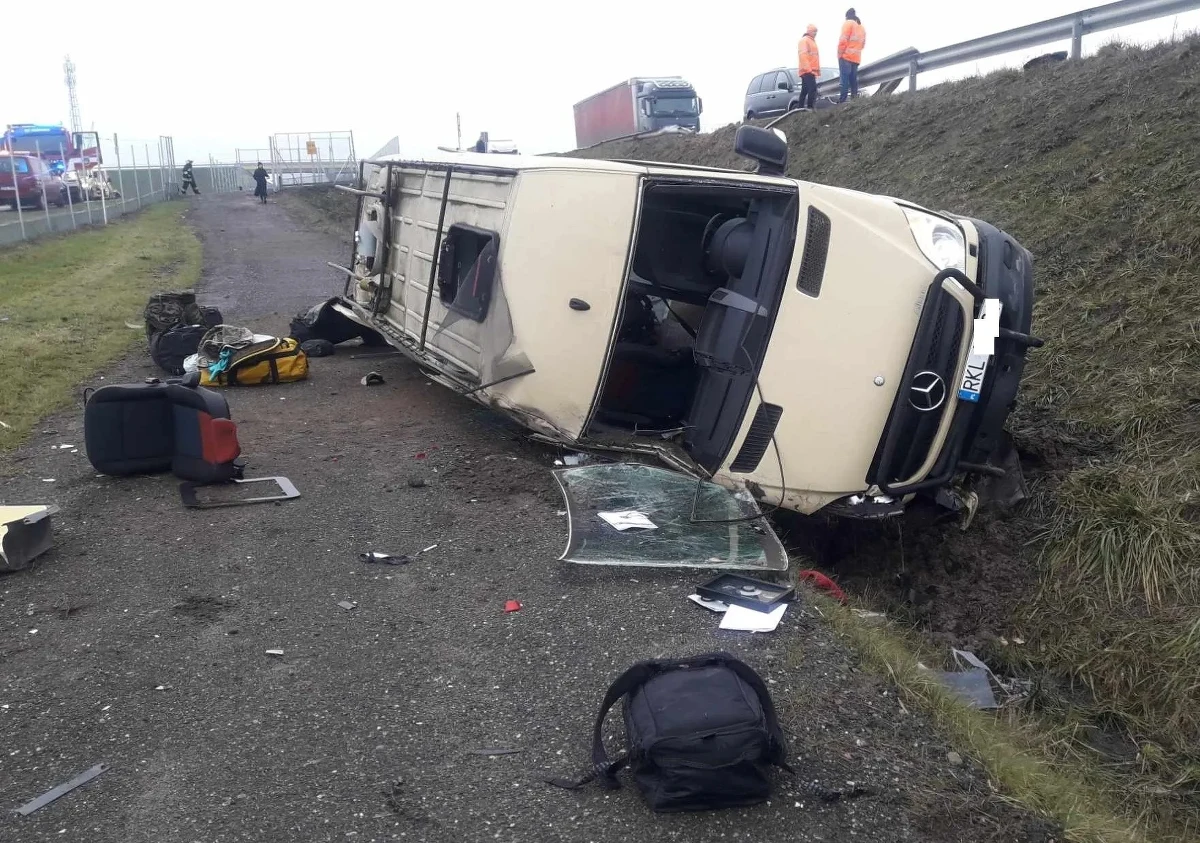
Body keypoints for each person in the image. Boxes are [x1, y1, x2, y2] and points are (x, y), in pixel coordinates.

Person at [838, 8, 867, 103]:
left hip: (846, 56)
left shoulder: (848, 23)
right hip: (856, 58)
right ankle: (854, 99)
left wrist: (840, 54)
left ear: (847, 16)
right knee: (853, 79)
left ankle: (843, 100)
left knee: (844, 79)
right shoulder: (861, 27)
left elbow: (843, 40)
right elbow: (863, 44)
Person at [797, 24, 820, 110]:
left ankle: (800, 108)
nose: (815, 33)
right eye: (814, 31)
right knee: (812, 89)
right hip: (807, 71)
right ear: (810, 31)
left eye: (816, 32)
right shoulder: (805, 41)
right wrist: (808, 69)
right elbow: (803, 56)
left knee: (805, 90)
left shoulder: (811, 41)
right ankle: (810, 108)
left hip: (809, 70)